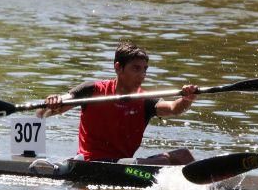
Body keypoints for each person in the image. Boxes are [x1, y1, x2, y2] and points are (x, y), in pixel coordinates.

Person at [40, 41, 197, 164]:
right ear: (118, 67)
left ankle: (212, 187)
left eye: (145, 69)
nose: (142, 75)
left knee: (183, 155)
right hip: (90, 163)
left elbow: (173, 108)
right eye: (136, 69)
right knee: (162, 161)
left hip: (124, 164)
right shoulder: (92, 89)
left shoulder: (145, 100)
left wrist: (187, 99)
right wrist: (54, 102)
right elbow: (49, 110)